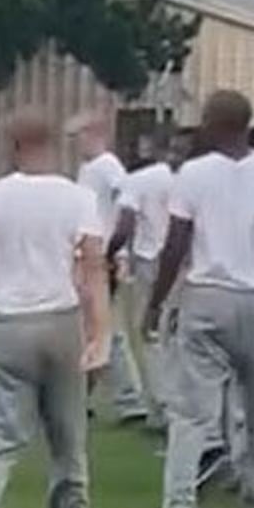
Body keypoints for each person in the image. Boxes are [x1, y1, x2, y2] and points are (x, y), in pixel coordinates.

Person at [144, 88, 254, 508]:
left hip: (207, 296)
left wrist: (156, 302)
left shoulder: (192, 175)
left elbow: (176, 243)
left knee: (191, 414)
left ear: (213, 125)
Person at [0, 112, 113, 508]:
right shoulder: (77, 198)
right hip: (60, 318)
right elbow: (95, 266)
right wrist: (99, 333)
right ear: (52, 145)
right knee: (67, 434)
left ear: (12, 144)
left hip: (6, 321)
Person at [70, 114, 149, 426]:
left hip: (103, 257)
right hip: (90, 256)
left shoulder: (107, 166)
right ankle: (89, 397)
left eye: (77, 136)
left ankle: (128, 398)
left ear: (93, 134)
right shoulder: (88, 169)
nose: (74, 144)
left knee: (103, 330)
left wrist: (117, 249)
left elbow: (125, 200)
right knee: (92, 329)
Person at [114, 131, 185, 434]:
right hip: (186, 262)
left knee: (151, 334)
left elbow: (126, 223)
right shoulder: (192, 180)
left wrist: (111, 252)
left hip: (151, 260)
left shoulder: (140, 180)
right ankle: (170, 406)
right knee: (176, 333)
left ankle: (166, 407)